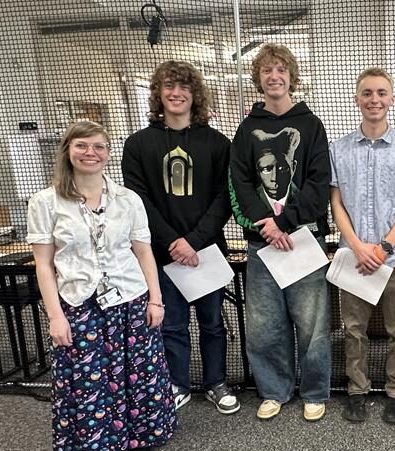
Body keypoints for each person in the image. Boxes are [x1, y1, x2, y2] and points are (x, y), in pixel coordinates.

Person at [28, 120, 176, 451]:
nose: (90, 152)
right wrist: (55, 316)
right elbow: (43, 265)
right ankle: (95, 441)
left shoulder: (128, 199)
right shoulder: (45, 202)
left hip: (130, 299)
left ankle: (140, 436)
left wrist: (155, 300)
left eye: (99, 146)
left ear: (108, 153)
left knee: (138, 372)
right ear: (67, 150)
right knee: (86, 378)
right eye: (81, 145)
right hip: (79, 302)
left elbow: (143, 252)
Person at [121, 60, 239, 415]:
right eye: (169, 86)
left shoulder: (218, 143)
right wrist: (173, 241)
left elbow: (224, 198)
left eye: (184, 87)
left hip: (206, 253)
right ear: (158, 93)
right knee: (171, 324)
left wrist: (194, 241)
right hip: (161, 255)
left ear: (195, 94)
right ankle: (178, 384)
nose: (176, 93)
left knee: (212, 324)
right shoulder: (138, 144)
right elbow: (138, 199)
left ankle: (216, 383)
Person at [229, 43, 332, 422]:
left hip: (304, 239)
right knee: (264, 325)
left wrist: (284, 222)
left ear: (291, 76)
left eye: (281, 70)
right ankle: (274, 390)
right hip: (262, 244)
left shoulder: (311, 125)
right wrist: (266, 225)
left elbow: (319, 184)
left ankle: (315, 392)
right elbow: (240, 182)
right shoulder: (246, 130)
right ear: (258, 79)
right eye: (267, 71)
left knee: (312, 324)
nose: (274, 77)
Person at [330, 67, 395, 424]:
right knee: (353, 329)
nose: (375, 100)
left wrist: (384, 248)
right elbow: (336, 203)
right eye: (368, 93)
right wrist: (357, 247)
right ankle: (357, 390)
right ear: (357, 99)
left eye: (382, 93)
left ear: (391, 99)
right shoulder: (338, 149)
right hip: (354, 257)